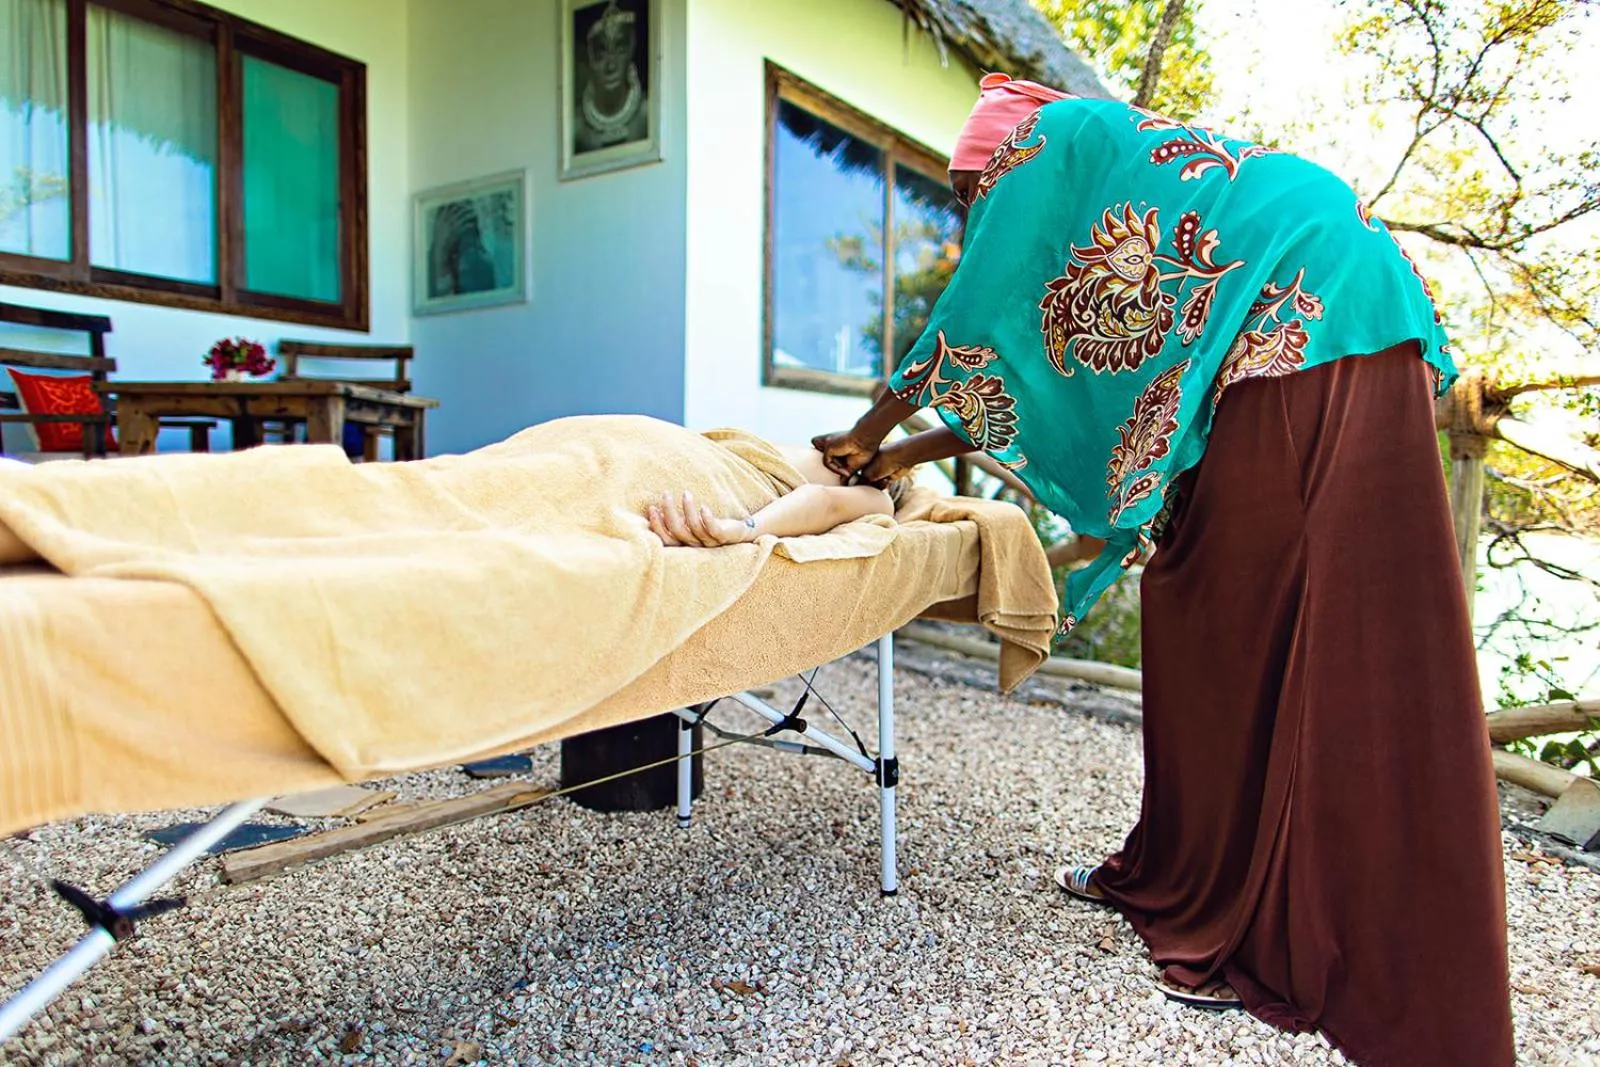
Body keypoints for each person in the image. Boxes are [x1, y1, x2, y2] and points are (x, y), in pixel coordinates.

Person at [814, 73, 1514, 1067]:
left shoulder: (1044, 139)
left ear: (995, 162)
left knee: (1244, 623)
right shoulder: (1132, 179)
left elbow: (967, 330)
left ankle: (1257, 920)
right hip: (1352, 325)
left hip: (1305, 335)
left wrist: (864, 435)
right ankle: (1190, 867)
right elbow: (1038, 377)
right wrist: (898, 458)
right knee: (1236, 609)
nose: (974, 211)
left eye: (968, 192)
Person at [645, 442, 908, 548]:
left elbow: (825, 503)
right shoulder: (834, 456)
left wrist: (745, 528)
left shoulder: (880, 496)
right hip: (710, 454)